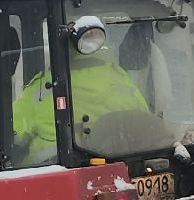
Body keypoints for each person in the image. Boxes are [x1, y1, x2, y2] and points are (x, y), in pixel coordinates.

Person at [12, 42, 150, 165]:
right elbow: (144, 118)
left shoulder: (44, 87)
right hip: (122, 161)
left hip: (52, 169)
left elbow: (13, 133)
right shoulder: (119, 77)